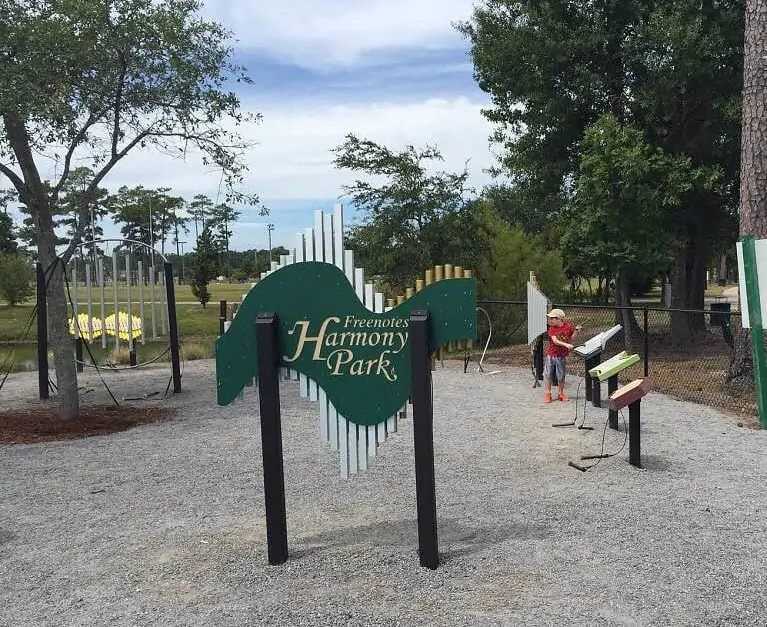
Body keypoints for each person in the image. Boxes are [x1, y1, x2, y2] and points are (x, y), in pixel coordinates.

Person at [543, 308, 582, 404]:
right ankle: (548, 393)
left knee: (561, 375)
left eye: (552, 318)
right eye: (550, 318)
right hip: (551, 354)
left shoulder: (568, 327)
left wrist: (576, 331)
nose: (550, 320)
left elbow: (571, 337)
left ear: (559, 319)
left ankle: (560, 393)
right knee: (548, 374)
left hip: (561, 355)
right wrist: (566, 345)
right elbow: (555, 341)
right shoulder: (551, 329)